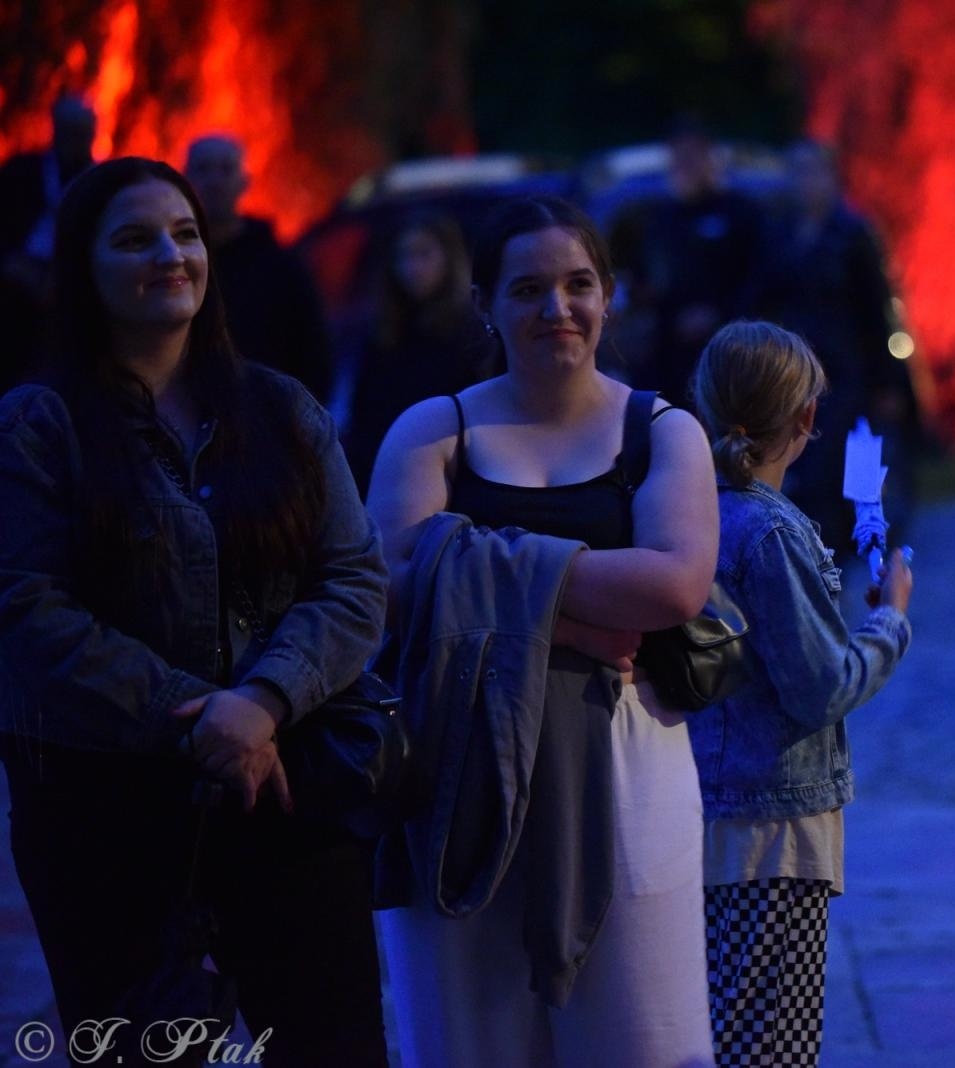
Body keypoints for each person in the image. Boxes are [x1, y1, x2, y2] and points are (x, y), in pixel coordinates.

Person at [0, 158, 390, 1064]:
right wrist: (199, 717)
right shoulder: (37, 425)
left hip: (289, 799)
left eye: (183, 233)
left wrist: (260, 704)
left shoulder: (281, 408)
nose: (171, 254)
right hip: (106, 821)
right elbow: (23, 609)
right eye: (134, 238)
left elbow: (356, 579)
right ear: (83, 269)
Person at [366, 196, 718, 1066]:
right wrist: (588, 613)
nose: (556, 308)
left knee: (640, 1030)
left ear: (609, 297)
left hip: (625, 759)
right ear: (485, 301)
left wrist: (482, 565)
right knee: (469, 1032)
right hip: (455, 754)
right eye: (528, 289)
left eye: (578, 285)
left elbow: (675, 584)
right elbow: (388, 589)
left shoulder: (663, 431)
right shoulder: (434, 430)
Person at [687, 320, 913, 1066]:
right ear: (808, 418)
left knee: (714, 1030)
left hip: (700, 812)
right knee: (768, 1047)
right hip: (774, 829)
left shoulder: (685, 513)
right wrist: (889, 618)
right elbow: (820, 687)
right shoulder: (769, 531)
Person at [751, 139, 924, 552]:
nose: (805, 182)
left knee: (857, 463)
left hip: (849, 371)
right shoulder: (779, 235)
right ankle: (819, 548)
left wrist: (886, 380)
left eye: (813, 172)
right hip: (797, 369)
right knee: (809, 463)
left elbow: (876, 309)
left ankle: (866, 541)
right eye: (799, 172)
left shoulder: (852, 235)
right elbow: (762, 296)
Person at [341, 212, 488, 495]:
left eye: (424, 254)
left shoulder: (469, 333)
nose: (412, 267)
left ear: (448, 257)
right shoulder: (385, 331)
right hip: (386, 473)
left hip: (451, 478)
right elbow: (364, 412)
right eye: (404, 256)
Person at [184, 135, 334, 399]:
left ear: (244, 181)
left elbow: (312, 351)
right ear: (186, 179)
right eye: (204, 169)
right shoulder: (174, 262)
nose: (214, 181)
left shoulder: (280, 266)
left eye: (226, 169)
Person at [633, 118, 764, 404]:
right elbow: (646, 281)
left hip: (730, 351)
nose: (684, 166)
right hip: (669, 355)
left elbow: (760, 280)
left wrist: (719, 315)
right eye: (678, 157)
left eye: (692, 157)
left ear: (709, 157)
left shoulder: (741, 213)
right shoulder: (661, 218)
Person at [0, 94, 97, 390]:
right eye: (67, 129)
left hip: (68, 282)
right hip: (13, 275)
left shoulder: (99, 182)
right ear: (54, 128)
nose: (74, 139)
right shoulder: (21, 170)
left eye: (81, 131)